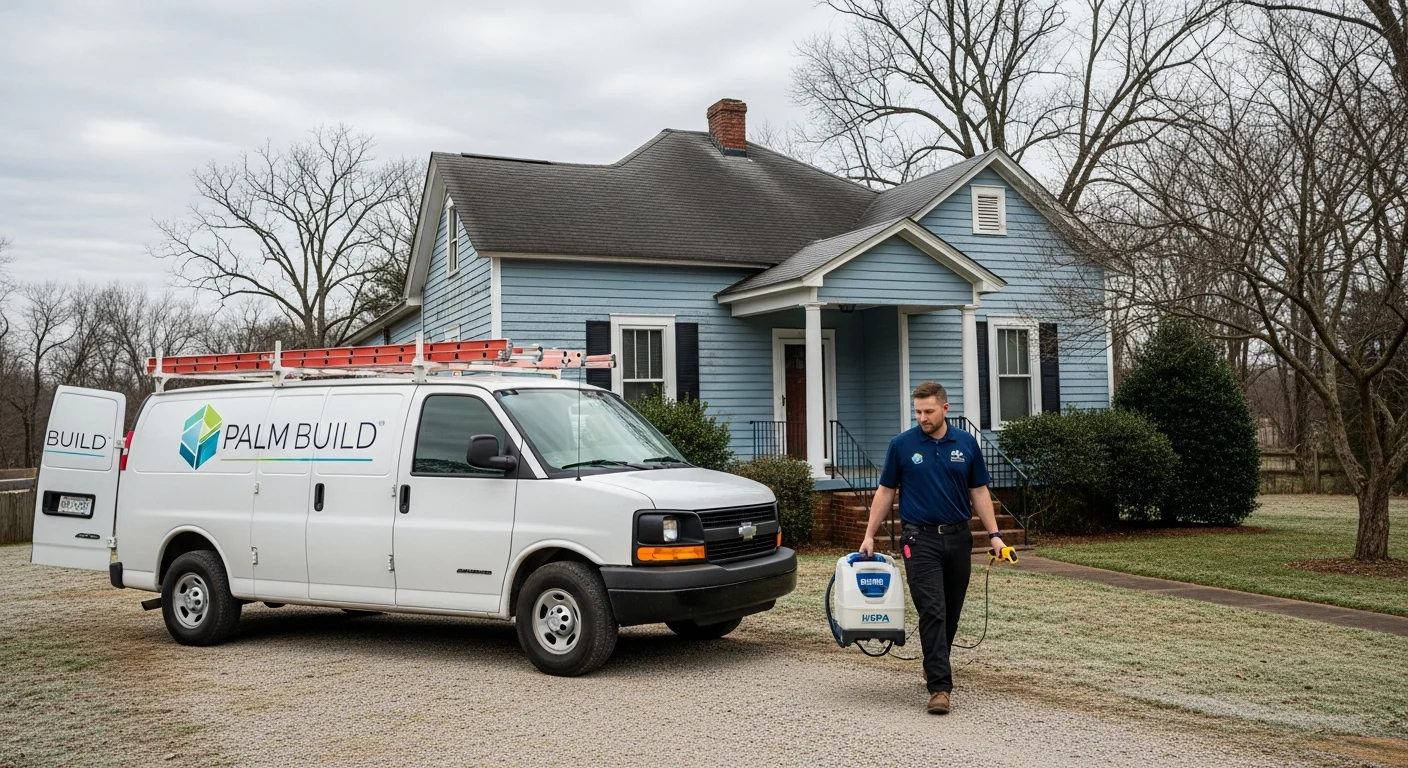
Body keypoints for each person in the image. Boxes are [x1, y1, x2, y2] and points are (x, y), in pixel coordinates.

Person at [859, 381, 1006, 715]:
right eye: (918, 411)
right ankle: (940, 687)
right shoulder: (902, 445)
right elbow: (885, 492)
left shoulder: (967, 444)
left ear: (945, 409)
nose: (922, 417)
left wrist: (995, 535)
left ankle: (933, 660)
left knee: (951, 611)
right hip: (918, 539)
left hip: (958, 538)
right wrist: (870, 534)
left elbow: (979, 491)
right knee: (933, 610)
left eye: (928, 411)